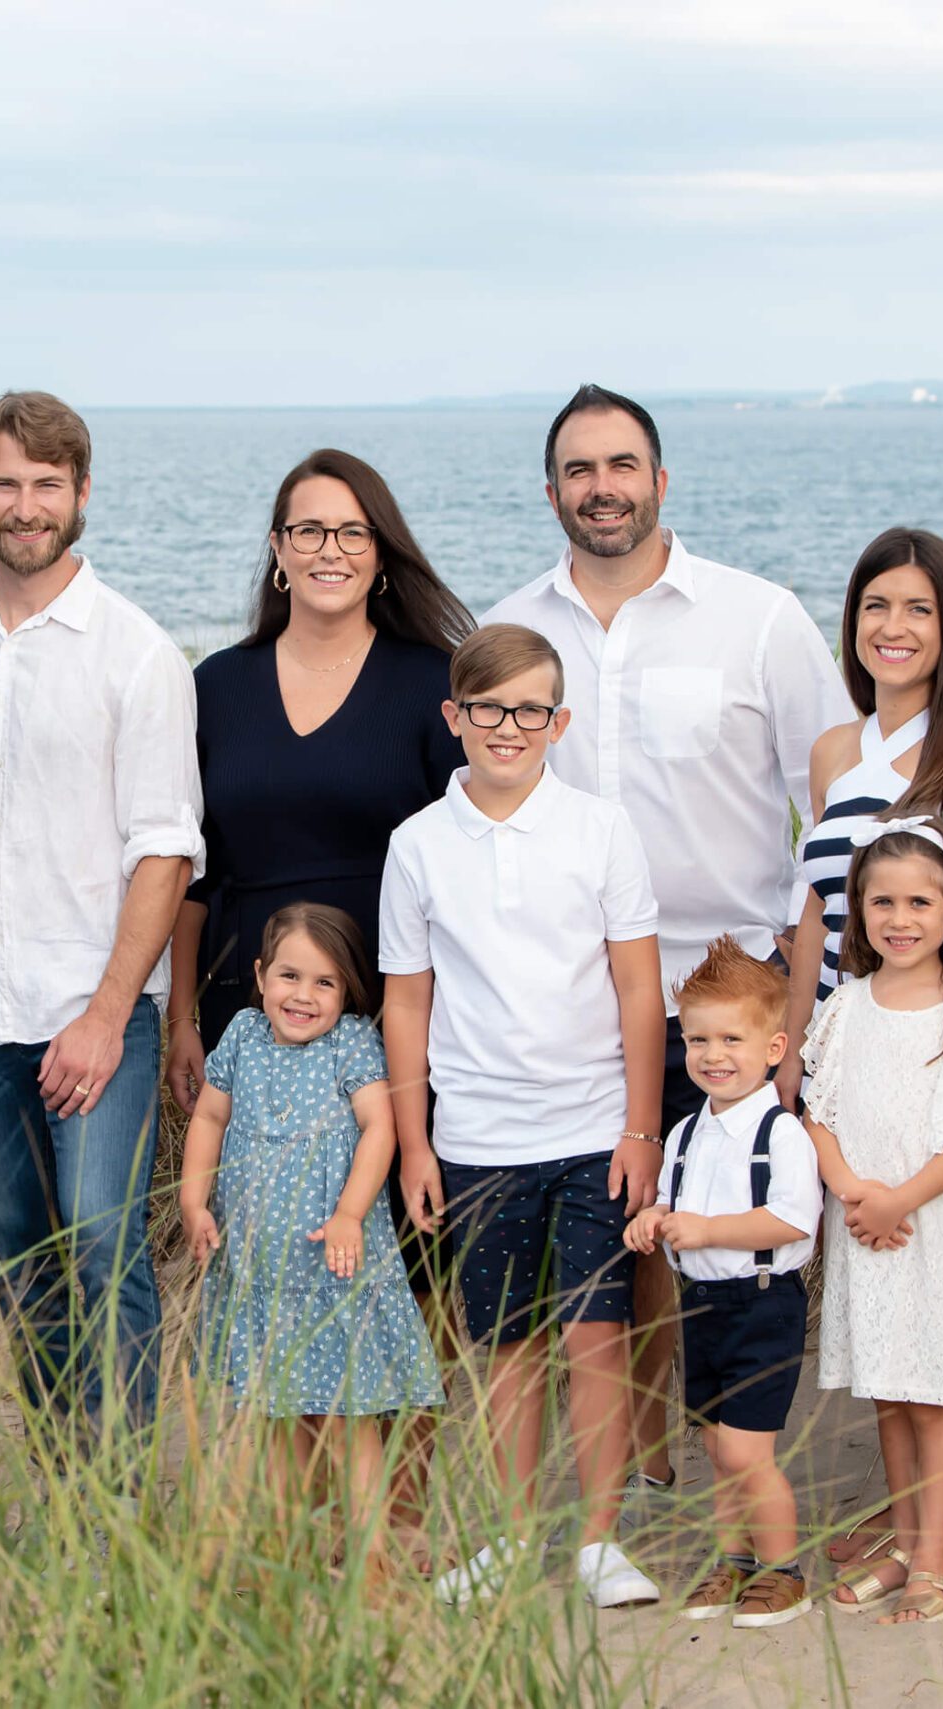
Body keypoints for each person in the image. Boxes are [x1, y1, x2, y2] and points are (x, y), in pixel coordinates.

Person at [483, 385, 847, 1515]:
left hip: (734, 993)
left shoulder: (759, 617)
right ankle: (644, 1470)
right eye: (580, 469)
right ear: (551, 491)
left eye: (623, 464)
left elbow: (832, 808)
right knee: (628, 1222)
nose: (603, 486)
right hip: (573, 995)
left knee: (747, 1225)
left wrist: (802, 987)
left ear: (660, 480)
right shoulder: (509, 629)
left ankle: (751, 1467)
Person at [160, 446, 471, 1554]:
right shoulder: (216, 687)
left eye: (349, 531)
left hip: (390, 1022)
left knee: (398, 1275)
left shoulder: (431, 680)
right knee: (268, 1269)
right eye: (307, 530)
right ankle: (292, 1531)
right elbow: (190, 867)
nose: (328, 550)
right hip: (248, 1020)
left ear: (379, 552)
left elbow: (468, 861)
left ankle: (392, 1527)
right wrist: (180, 1019)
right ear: (279, 552)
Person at [0, 390, 203, 1452]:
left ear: (82, 494)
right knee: (18, 1255)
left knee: (102, 1252)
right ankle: (64, 1470)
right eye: (6, 482)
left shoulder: (134, 653)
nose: (26, 504)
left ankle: (120, 1501)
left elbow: (166, 849)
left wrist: (102, 1015)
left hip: (93, 1017)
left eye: (48, 484)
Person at [379, 624, 666, 1610]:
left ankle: (595, 1540)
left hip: (593, 1130)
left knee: (597, 1336)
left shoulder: (601, 828)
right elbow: (406, 1001)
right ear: (455, 716)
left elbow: (638, 988)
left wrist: (640, 1127)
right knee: (502, 1346)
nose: (509, 728)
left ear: (560, 721)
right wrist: (415, 1142)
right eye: (489, 709)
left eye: (530, 710)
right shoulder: (416, 846)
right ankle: (507, 1538)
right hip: (475, 1140)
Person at [779, 525, 943, 1571]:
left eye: (918, 609)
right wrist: (791, 1052)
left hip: (936, 1066)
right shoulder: (836, 752)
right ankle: (897, 1523)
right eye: (876, 605)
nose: (893, 626)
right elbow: (813, 915)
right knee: (876, 1299)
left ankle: (938, 1535)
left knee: (931, 1303)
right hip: (849, 1061)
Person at [178, 903, 442, 1577]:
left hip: (335, 1267)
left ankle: (372, 1556)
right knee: (272, 1416)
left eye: (325, 982)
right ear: (261, 974)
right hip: (260, 1271)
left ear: (348, 991)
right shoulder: (240, 1035)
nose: (303, 995)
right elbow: (210, 1113)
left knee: (354, 1421)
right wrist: (193, 1197)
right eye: (290, 975)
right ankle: (288, 1550)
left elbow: (379, 1129)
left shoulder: (351, 1043)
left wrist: (352, 1212)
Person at [801, 817, 943, 1626]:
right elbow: (815, 1109)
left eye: (920, 901)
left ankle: (937, 1559)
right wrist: (854, 1189)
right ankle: (902, 1538)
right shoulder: (847, 1005)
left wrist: (898, 1198)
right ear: (856, 910)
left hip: (928, 1228)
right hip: (865, 1225)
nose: (900, 918)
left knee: (935, 1387)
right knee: (889, 1389)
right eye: (881, 901)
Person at [623, 939, 822, 1628]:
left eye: (731, 1038)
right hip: (700, 1305)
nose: (713, 1054)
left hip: (762, 1303)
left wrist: (706, 1230)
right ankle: (732, 1559)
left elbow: (790, 1220)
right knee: (713, 1443)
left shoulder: (781, 1131)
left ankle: (783, 1570)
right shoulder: (684, 1132)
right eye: (698, 1037)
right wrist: (655, 1218)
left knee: (746, 1448)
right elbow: (679, 1203)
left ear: (773, 1046)